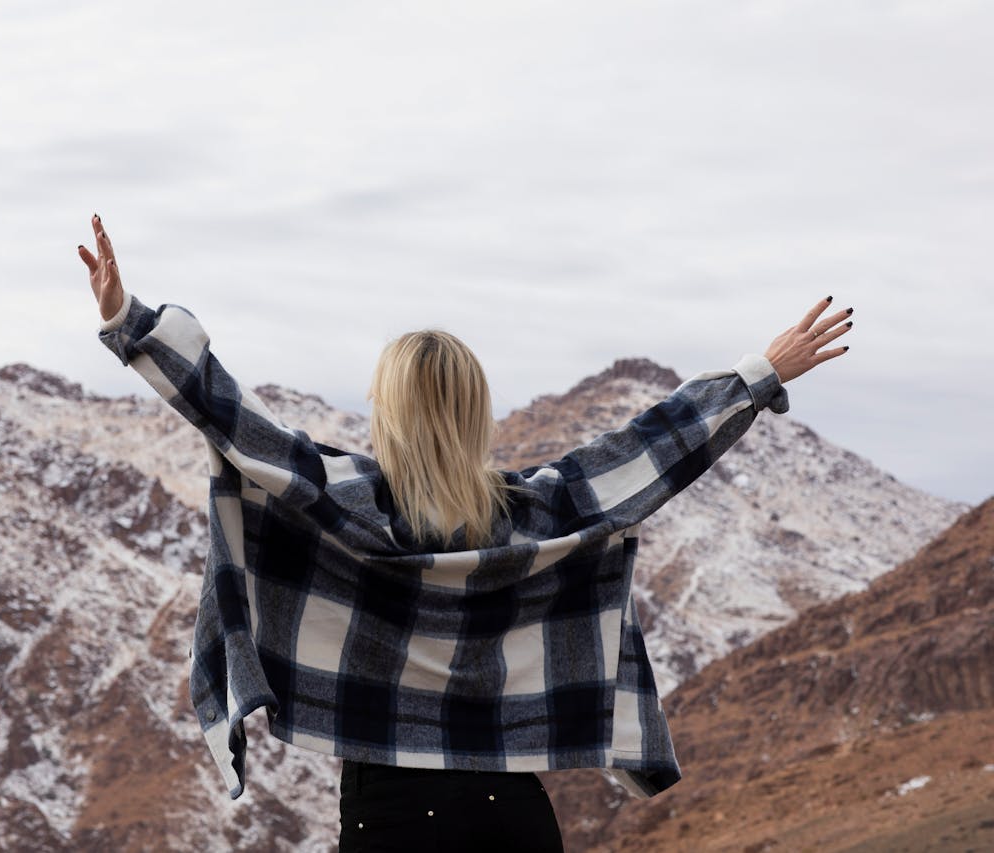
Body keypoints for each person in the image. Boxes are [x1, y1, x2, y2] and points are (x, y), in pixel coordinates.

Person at [77, 214, 853, 852]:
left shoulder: (348, 505)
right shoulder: (532, 513)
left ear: (389, 412)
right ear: (473, 410)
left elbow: (233, 420)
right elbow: (644, 455)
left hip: (391, 817)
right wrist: (759, 374)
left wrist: (128, 322)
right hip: (512, 816)